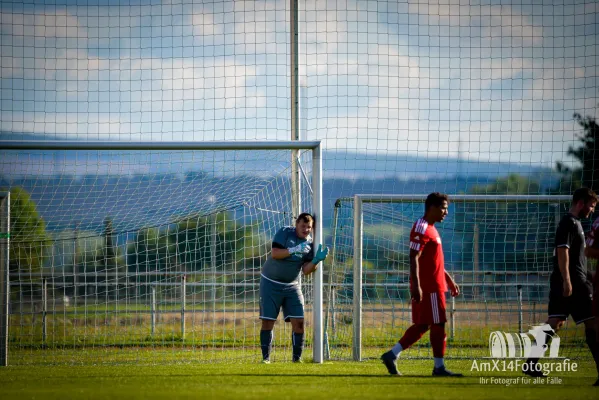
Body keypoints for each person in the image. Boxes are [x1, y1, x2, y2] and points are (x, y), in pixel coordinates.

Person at [523, 187, 599, 386]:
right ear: (581, 203)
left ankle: (531, 363)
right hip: (573, 283)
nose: (592, 210)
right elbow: (562, 252)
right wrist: (567, 280)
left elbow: (574, 256)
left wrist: (589, 274)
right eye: (591, 206)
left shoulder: (576, 224)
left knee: (555, 321)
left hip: (571, 280)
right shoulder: (568, 223)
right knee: (593, 323)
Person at [381, 192, 462, 377]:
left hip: (436, 285)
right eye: (443, 208)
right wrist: (416, 285)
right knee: (438, 324)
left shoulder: (432, 228)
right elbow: (414, 256)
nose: (446, 212)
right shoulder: (421, 227)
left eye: (447, 209)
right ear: (432, 207)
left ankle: (391, 355)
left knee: (423, 325)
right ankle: (439, 368)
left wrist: (449, 279)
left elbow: (434, 261)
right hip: (429, 288)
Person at [259, 213, 329, 363]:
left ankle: (296, 360)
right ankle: (266, 359)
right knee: (268, 322)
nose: (306, 229)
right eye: (303, 226)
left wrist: (316, 260)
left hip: (292, 286)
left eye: (309, 227)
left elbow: (306, 270)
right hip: (270, 283)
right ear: (296, 224)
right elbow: (275, 254)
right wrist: (294, 249)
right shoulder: (285, 232)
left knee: (299, 322)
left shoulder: (310, 244)